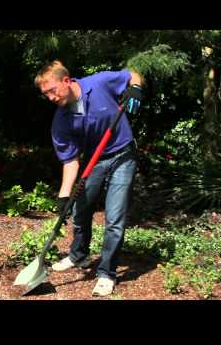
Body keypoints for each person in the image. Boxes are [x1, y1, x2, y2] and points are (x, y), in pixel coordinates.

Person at [34, 60, 144, 296]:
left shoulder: (100, 82)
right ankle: (78, 256)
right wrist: (64, 196)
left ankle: (106, 273)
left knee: (114, 218)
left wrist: (136, 88)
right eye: (46, 95)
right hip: (95, 160)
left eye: (52, 90)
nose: (51, 98)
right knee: (80, 210)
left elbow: (132, 74)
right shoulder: (60, 121)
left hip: (124, 155)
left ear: (67, 80)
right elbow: (70, 161)